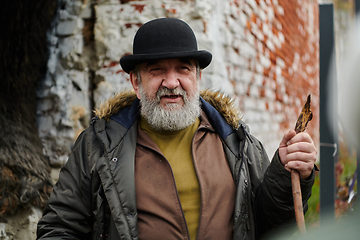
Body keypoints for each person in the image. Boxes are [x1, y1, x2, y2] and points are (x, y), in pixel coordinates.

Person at [36, 18, 317, 240]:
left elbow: (270, 226)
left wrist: (286, 171)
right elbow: (60, 228)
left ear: (197, 76)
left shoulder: (237, 142)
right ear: (135, 82)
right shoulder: (97, 145)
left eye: (183, 69)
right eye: (156, 70)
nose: (172, 82)